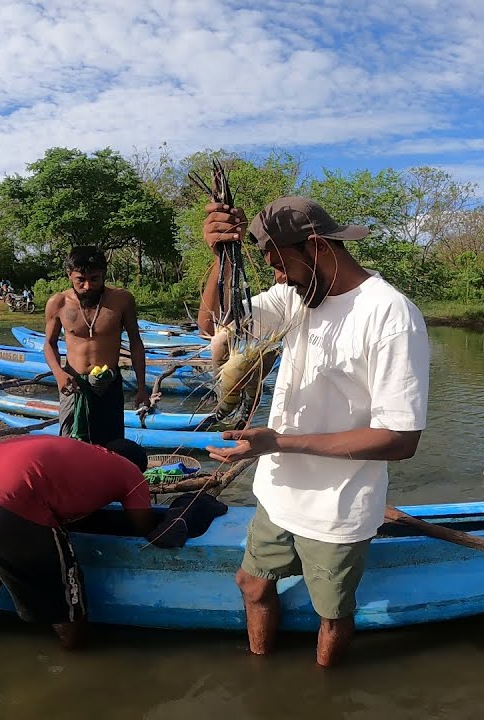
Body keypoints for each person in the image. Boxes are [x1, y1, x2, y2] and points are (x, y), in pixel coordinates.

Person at [197, 196, 430, 667]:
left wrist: (277, 442)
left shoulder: (389, 314)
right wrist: (220, 256)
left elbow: (401, 439)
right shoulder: (295, 297)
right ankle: (261, 670)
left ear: (319, 246)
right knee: (252, 583)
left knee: (332, 614)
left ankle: (326, 689)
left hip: (338, 507)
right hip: (279, 492)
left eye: (282, 266)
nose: (277, 279)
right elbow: (211, 324)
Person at [0, 436, 159, 648]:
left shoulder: (73, 449)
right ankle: (77, 658)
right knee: (64, 602)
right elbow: (144, 526)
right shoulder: (130, 470)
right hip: (0, 509)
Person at [42, 246, 151, 443]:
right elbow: (49, 344)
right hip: (73, 384)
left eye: (94, 279)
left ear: (104, 275)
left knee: (111, 445)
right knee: (71, 444)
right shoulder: (58, 303)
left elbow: (136, 342)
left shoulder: (121, 300)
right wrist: (59, 374)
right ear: (69, 275)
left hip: (108, 383)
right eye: (80, 280)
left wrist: (142, 387)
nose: (87, 286)